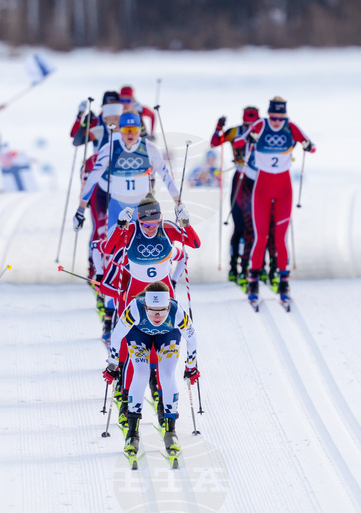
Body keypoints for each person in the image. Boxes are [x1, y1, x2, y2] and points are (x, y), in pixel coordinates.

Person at [103, 281, 199, 461]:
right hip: (139, 334)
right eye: (152, 310)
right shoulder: (135, 308)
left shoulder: (177, 312)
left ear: (168, 305)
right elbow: (116, 335)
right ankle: (132, 432)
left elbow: (192, 340)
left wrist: (191, 366)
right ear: (145, 305)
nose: (157, 316)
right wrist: (113, 365)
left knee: (167, 374)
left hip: (168, 335)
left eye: (162, 310)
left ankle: (171, 431)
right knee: (140, 374)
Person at [236, 97, 315, 305]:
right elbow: (238, 142)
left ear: (285, 116)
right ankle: (253, 280)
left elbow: (311, 146)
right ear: (269, 114)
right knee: (260, 237)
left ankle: (283, 282)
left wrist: (308, 145)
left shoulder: (291, 127)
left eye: (280, 117)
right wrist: (250, 138)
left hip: (284, 189)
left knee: (280, 239)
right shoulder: (260, 125)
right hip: (262, 188)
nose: (277, 121)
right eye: (274, 117)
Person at [73, 112, 180, 232]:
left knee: (142, 248)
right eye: (126, 129)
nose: (130, 134)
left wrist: (179, 205)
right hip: (117, 206)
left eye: (134, 129)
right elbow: (93, 178)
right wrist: (81, 209)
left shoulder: (150, 149)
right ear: (119, 130)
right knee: (114, 248)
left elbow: (166, 177)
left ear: (139, 129)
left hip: (143, 207)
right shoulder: (109, 149)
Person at [211, 106, 260, 286]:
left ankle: (252, 266)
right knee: (239, 224)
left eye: (252, 121)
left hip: (258, 180)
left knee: (256, 225)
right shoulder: (235, 131)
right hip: (240, 179)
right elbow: (215, 142)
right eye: (247, 121)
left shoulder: (262, 130)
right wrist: (218, 128)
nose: (250, 125)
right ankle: (234, 267)